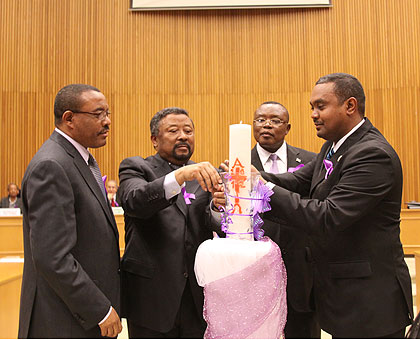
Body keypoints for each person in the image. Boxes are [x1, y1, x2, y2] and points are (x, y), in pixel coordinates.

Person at [258, 73, 413, 338]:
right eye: (312, 108)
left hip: (370, 304)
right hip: (342, 297)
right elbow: (297, 181)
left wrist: (261, 188)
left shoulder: (372, 154)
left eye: (321, 106)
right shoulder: (333, 146)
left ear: (350, 106)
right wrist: (248, 179)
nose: (313, 115)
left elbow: (328, 217)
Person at [18, 84, 122, 338]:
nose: (107, 122)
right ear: (69, 119)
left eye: (108, 113)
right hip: (61, 321)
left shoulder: (76, 159)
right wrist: (99, 309)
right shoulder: (52, 165)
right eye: (98, 114)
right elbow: (52, 257)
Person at [117, 107, 221, 338]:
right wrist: (180, 177)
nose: (183, 136)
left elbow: (214, 225)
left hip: (197, 297)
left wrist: (218, 208)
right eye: (173, 131)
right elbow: (135, 201)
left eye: (188, 130)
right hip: (151, 297)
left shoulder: (205, 175)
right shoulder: (136, 167)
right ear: (155, 139)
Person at [251, 101, 319, 338]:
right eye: (260, 119)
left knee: (303, 330)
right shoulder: (236, 164)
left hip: (301, 266)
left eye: (275, 120)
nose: (266, 124)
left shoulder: (313, 162)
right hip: (255, 267)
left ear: (288, 128)